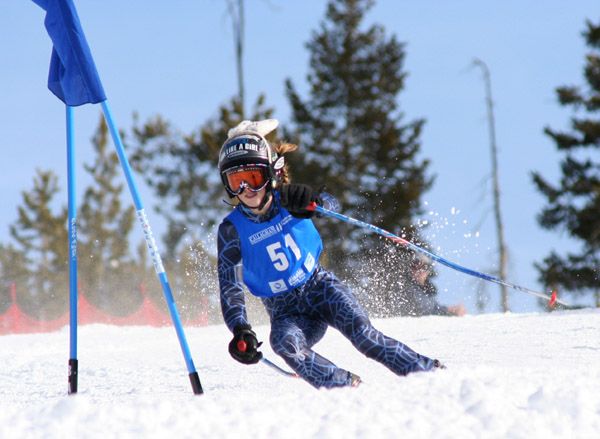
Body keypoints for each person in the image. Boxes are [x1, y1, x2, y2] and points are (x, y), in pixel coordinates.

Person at [216, 119, 444, 389]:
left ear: (269, 173)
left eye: (252, 179)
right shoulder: (232, 229)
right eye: (236, 182)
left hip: (320, 288)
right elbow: (230, 286)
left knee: (364, 336)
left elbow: (332, 204)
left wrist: (315, 202)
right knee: (284, 343)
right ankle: (344, 387)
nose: (246, 191)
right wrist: (240, 328)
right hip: (285, 311)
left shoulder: (289, 202)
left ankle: (429, 373)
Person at [399, 254, 466, 317]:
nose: (419, 270)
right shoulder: (405, 286)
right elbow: (424, 308)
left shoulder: (427, 290)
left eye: (423, 267)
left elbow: (434, 307)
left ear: (428, 270)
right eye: (415, 266)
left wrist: (452, 310)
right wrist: (448, 310)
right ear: (410, 269)